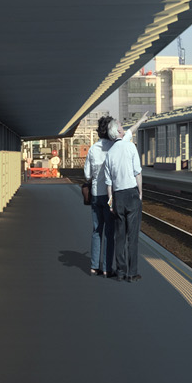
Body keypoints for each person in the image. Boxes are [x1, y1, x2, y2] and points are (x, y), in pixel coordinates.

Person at [104, 118, 145, 281]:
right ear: (119, 132)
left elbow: (109, 183)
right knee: (132, 237)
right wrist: (140, 193)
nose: (122, 127)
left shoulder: (110, 154)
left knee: (119, 236)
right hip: (132, 194)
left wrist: (110, 202)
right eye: (121, 126)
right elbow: (137, 172)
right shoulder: (130, 147)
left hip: (118, 196)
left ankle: (121, 272)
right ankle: (132, 273)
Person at [84, 118, 116, 276]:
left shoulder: (93, 149)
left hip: (96, 195)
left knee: (97, 230)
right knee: (110, 232)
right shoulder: (114, 148)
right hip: (110, 196)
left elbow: (87, 174)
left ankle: (94, 266)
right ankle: (107, 268)